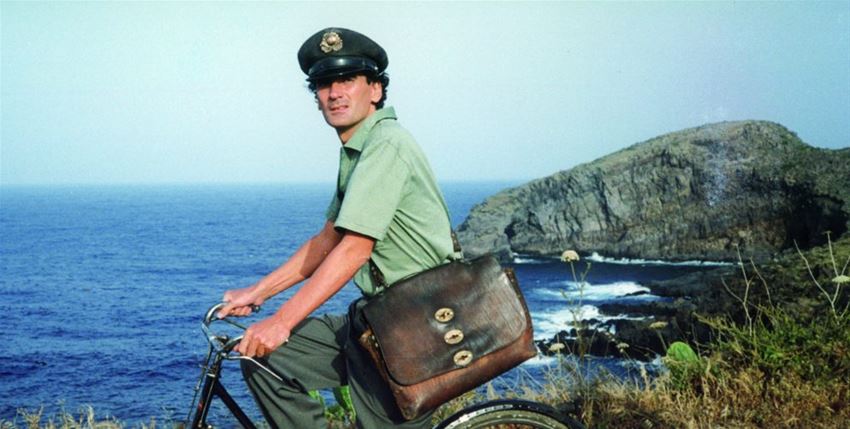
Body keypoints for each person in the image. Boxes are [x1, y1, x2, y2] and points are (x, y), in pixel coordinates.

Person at [216, 27, 456, 429]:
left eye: (347, 80)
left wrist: (282, 321)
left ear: (375, 90)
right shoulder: (360, 150)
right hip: (381, 315)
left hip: (417, 323)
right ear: (316, 98)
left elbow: (355, 249)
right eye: (325, 84)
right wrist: (257, 293)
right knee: (263, 358)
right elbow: (328, 240)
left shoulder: (386, 144)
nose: (335, 93)